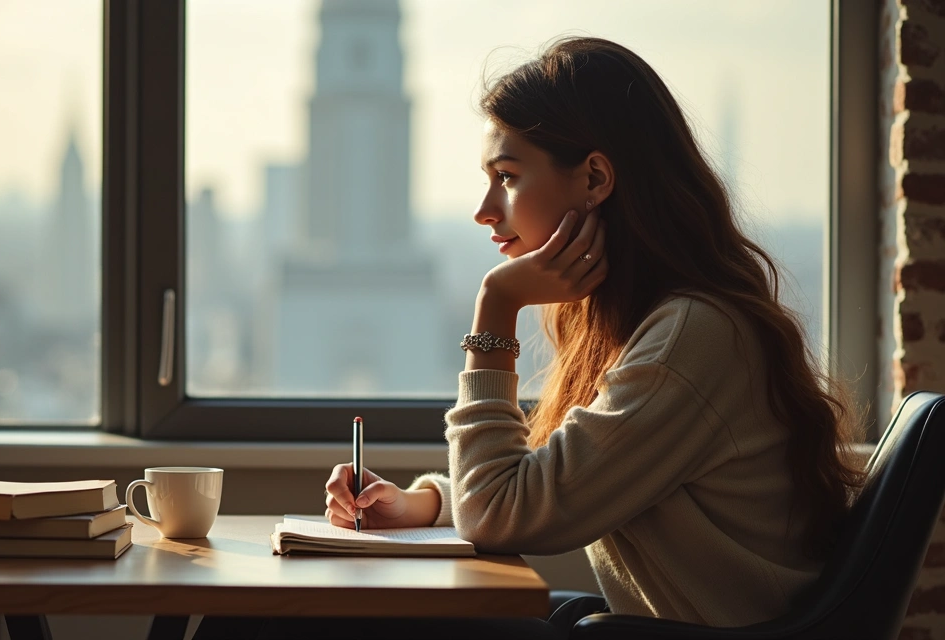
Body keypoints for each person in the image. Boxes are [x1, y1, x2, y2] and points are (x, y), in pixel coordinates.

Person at [194, 35, 865, 640]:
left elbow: (504, 515)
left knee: (264, 625)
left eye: (508, 178)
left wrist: (496, 306)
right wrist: (424, 501)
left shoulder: (691, 338)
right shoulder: (664, 324)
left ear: (596, 178)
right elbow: (554, 479)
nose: (485, 211)